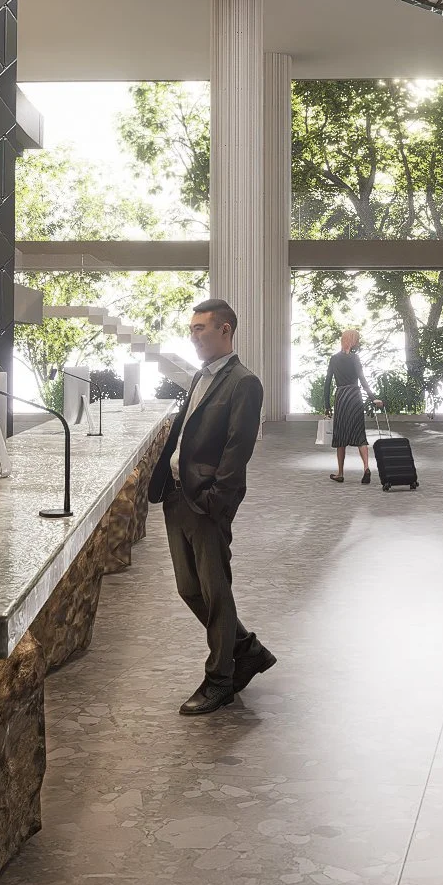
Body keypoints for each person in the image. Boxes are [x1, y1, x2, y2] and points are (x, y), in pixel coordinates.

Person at [147, 298, 276, 715]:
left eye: (201, 328)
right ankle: (247, 650)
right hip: (176, 495)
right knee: (190, 589)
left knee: (215, 592)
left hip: (204, 502)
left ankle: (220, 679)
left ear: (225, 330)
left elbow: (238, 451)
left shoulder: (244, 382)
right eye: (191, 329)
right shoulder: (200, 377)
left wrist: (215, 501)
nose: (194, 335)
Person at [323, 328, 381, 483]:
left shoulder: (334, 359)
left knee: (341, 435)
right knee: (359, 434)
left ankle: (340, 473)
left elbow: (327, 383)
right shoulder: (355, 358)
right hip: (355, 396)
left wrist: (327, 405)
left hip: (341, 397)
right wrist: (373, 398)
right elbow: (362, 379)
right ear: (352, 340)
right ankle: (366, 468)